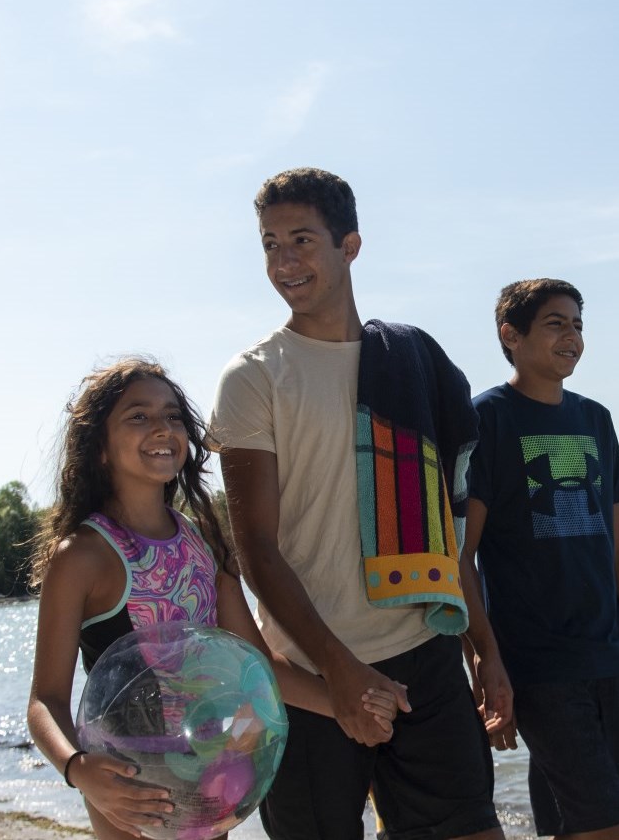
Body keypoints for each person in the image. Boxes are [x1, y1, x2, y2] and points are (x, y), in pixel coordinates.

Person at [208, 167, 505, 840]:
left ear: (351, 244)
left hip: (424, 652)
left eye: (302, 240)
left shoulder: (413, 360)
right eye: (269, 244)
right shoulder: (254, 377)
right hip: (309, 673)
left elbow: (444, 525)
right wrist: (340, 673)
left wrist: (483, 648)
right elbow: (256, 547)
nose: (284, 261)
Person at [26, 357, 400, 840]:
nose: (161, 427)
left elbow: (258, 665)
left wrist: (351, 703)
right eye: (137, 416)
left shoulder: (203, 538)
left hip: (210, 769)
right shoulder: (82, 556)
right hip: (128, 777)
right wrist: (77, 768)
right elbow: (45, 699)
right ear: (98, 446)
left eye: (173, 415)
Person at [459, 279, 619, 840]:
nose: (572, 336)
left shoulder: (595, 419)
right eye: (555, 323)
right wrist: (485, 658)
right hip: (540, 665)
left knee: (581, 823)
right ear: (512, 334)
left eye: (577, 324)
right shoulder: (485, 421)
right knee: (609, 826)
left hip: (612, 657)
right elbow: (461, 557)